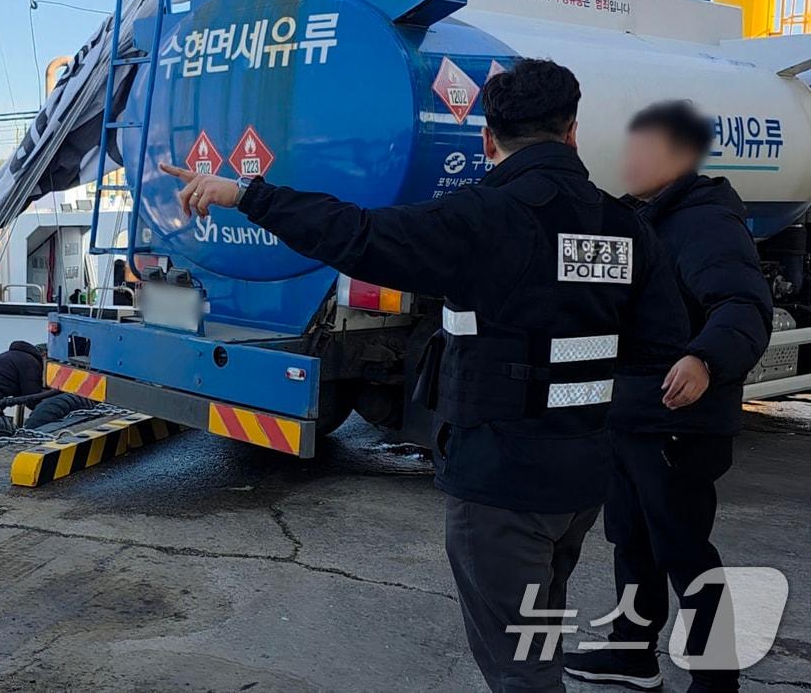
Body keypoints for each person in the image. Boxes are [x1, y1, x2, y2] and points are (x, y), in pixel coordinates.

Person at [161, 58, 688, 691]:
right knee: (537, 622)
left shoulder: (483, 218)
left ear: (487, 139)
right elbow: (661, 347)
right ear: (573, 131)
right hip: (580, 480)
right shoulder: (626, 227)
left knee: (521, 669)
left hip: (500, 479)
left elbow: (357, 235)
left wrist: (246, 194)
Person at [564, 101, 773, 693]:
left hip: (680, 421)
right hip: (629, 412)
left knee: (682, 548)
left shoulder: (705, 222)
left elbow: (743, 305)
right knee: (630, 539)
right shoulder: (639, 217)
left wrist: (704, 359)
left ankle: (716, 677)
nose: (628, 163)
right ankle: (633, 653)